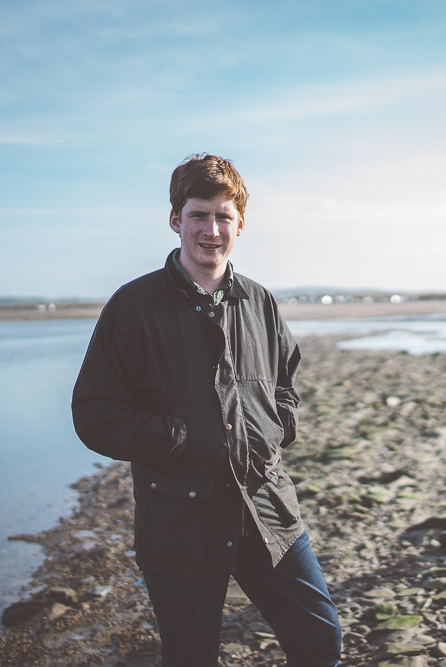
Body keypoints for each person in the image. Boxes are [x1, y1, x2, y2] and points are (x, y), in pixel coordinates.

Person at [72, 154, 342, 666]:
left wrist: (275, 428)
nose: (211, 230)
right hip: (179, 519)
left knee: (320, 641)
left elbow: (285, 387)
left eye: (223, 217)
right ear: (176, 220)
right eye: (199, 215)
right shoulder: (134, 306)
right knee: (191, 657)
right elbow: (95, 413)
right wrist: (177, 439)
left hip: (266, 507)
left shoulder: (260, 302)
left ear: (241, 224)